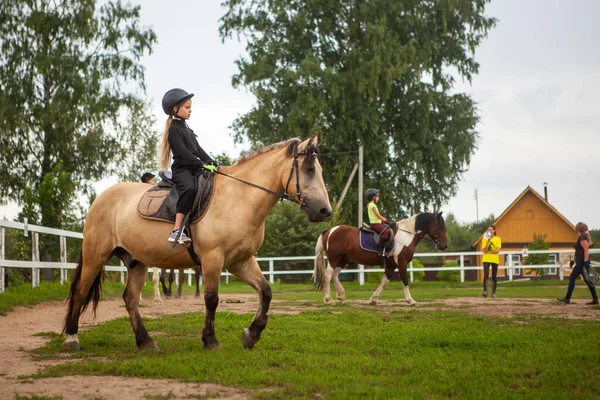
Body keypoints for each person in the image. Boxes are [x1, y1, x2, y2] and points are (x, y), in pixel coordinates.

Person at [159, 88, 217, 245]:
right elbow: (184, 154)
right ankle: (177, 230)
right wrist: (202, 165)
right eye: (187, 107)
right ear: (175, 109)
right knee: (190, 189)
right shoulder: (173, 130)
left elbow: (198, 150)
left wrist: (213, 162)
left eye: (190, 107)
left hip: (194, 167)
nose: (190, 110)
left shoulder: (187, 129)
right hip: (182, 170)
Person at [557, 222, 598, 305]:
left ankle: (567, 298)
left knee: (572, 278)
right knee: (587, 280)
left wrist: (586, 261)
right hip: (580, 261)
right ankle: (595, 299)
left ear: (578, 229)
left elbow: (586, 249)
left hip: (582, 263)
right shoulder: (582, 237)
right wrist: (573, 260)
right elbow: (579, 251)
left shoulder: (582, 237)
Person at [481, 225, 501, 299]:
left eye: (491, 230)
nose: (489, 231)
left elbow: (498, 250)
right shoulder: (484, 239)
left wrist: (490, 252)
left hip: (494, 260)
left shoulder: (497, 239)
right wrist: (487, 242)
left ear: (494, 231)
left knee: (494, 276)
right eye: (488, 230)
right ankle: (485, 291)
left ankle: (493, 292)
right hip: (486, 259)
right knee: (486, 275)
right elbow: (484, 251)